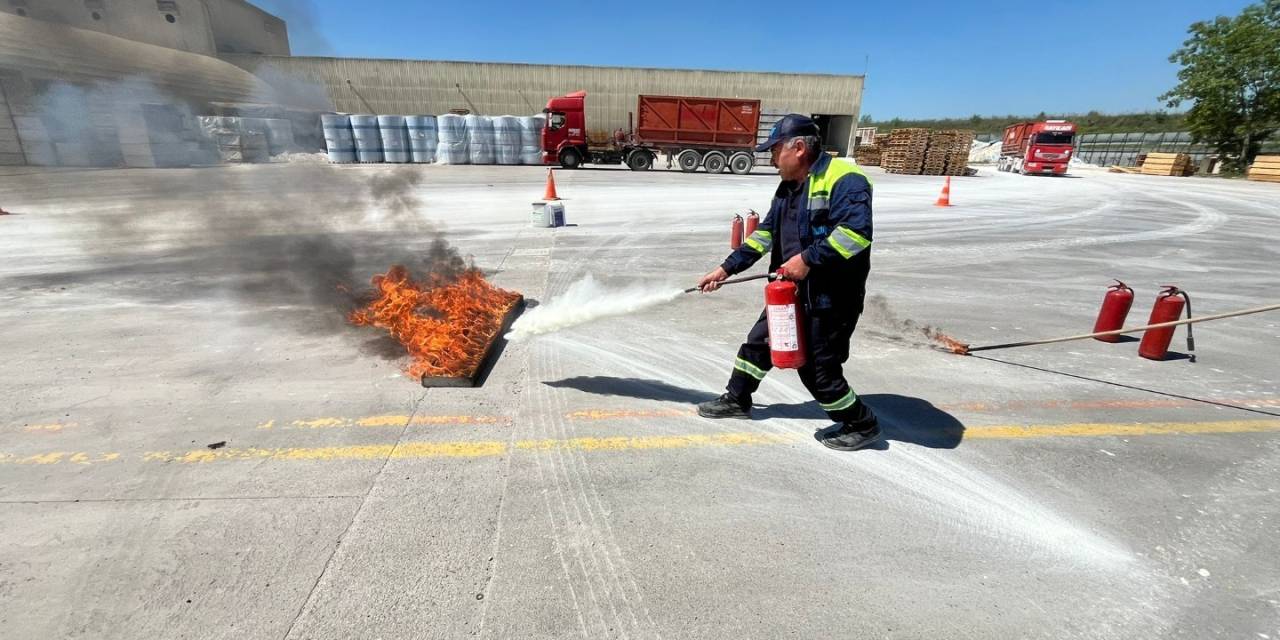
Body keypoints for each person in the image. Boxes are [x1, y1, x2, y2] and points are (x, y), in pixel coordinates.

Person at [696, 114, 880, 451]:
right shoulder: (788, 186)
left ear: (798, 148)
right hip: (789, 292)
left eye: (774, 149)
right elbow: (766, 233)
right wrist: (726, 269)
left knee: (818, 370)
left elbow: (856, 234)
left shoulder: (845, 179)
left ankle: (861, 423)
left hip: (831, 297)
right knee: (758, 344)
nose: (770, 158)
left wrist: (808, 259)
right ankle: (737, 400)